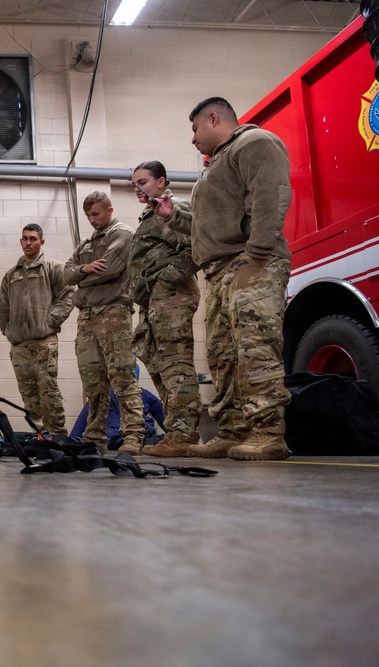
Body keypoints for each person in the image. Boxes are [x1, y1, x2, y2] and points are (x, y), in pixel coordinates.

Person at [156, 96, 292, 461]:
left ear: (213, 118)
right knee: (224, 356)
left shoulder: (255, 143)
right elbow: (206, 226)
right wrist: (173, 216)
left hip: (250, 263)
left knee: (255, 349)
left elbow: (272, 196)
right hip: (218, 271)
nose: (193, 138)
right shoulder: (213, 167)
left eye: (195, 127)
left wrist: (258, 252)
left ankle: (268, 432)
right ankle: (233, 431)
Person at [128, 161, 202, 457]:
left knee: (176, 365)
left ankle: (184, 434)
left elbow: (195, 247)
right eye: (134, 184)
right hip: (154, 301)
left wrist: (164, 281)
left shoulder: (172, 211)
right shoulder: (151, 216)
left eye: (143, 182)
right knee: (157, 361)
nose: (138, 188)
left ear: (161, 182)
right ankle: (175, 429)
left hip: (171, 297)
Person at [64, 192, 146, 455]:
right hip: (86, 316)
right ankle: (94, 437)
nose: (91, 220)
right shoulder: (87, 243)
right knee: (93, 381)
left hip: (113, 312)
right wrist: (84, 270)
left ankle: (133, 435)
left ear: (109, 210)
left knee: (122, 376)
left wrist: (82, 276)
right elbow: (67, 273)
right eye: (87, 215)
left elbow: (109, 268)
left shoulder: (122, 233)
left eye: (95, 214)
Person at [0, 224, 74, 436]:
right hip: (19, 345)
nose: (28, 243)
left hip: (44, 342)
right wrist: (7, 329)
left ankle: (58, 436)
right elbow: (3, 304)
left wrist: (51, 321)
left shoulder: (53, 267)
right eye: (24, 239)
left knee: (48, 390)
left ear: (41, 241)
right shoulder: (11, 274)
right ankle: (41, 436)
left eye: (32, 239)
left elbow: (67, 295)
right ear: (20, 241)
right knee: (28, 395)